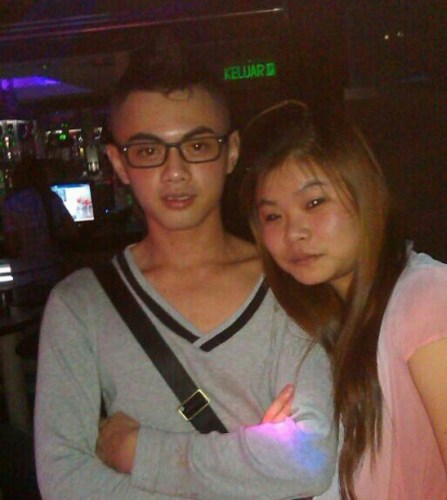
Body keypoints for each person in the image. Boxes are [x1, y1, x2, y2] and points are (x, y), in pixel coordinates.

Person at [34, 36, 336, 499]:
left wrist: (140, 452)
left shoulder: (289, 279)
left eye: (197, 145)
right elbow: (65, 480)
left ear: (231, 152)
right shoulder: (81, 306)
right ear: (118, 163)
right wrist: (255, 471)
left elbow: (308, 460)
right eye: (148, 150)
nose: (175, 172)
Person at [239, 100, 447, 500]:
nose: (294, 232)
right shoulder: (321, 327)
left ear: (364, 193)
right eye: (273, 216)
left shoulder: (432, 298)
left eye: (314, 203)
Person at [1, 156, 77, 288]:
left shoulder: (11, 204)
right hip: (51, 271)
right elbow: (72, 231)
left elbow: (13, 246)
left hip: (23, 276)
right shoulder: (51, 198)